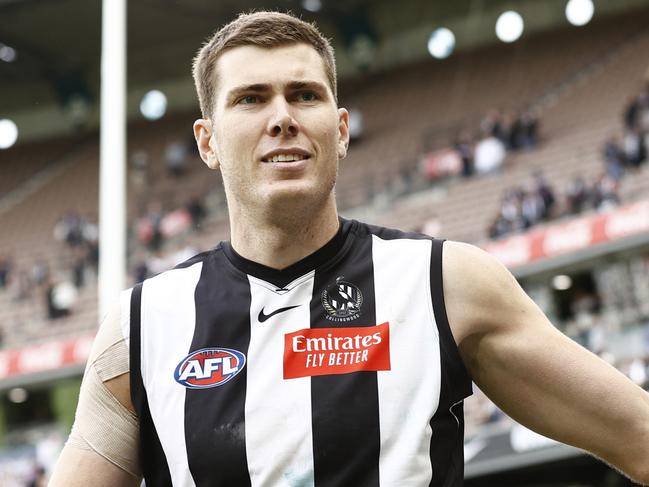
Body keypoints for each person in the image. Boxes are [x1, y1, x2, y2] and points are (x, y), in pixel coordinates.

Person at [50, 11, 649, 487]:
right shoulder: (141, 326)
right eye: (251, 98)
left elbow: (639, 438)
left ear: (339, 130)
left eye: (304, 95)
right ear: (207, 142)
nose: (282, 117)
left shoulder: (446, 284)